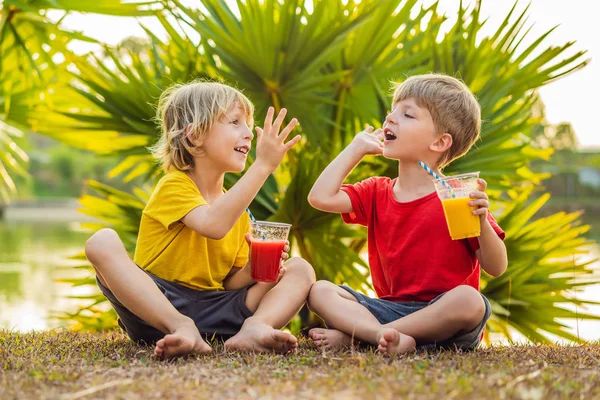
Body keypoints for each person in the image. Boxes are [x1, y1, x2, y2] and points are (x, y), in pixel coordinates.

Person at [84, 81, 315, 358]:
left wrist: (253, 269)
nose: (249, 134)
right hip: (158, 308)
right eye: (235, 122)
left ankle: (256, 328)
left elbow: (229, 284)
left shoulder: (238, 209)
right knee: (102, 241)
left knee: (300, 269)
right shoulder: (174, 186)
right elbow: (212, 225)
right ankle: (181, 327)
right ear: (194, 136)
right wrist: (263, 165)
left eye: (248, 124)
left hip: (219, 311)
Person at [307, 74, 507, 354]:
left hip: (446, 317)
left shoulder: (459, 195)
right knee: (320, 291)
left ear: (439, 142)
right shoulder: (376, 192)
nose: (390, 118)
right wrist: (355, 149)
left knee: (470, 300)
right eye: (392, 110)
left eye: (407, 114)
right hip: (389, 310)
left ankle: (364, 336)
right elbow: (320, 197)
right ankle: (383, 336)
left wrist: (482, 222)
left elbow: (496, 267)